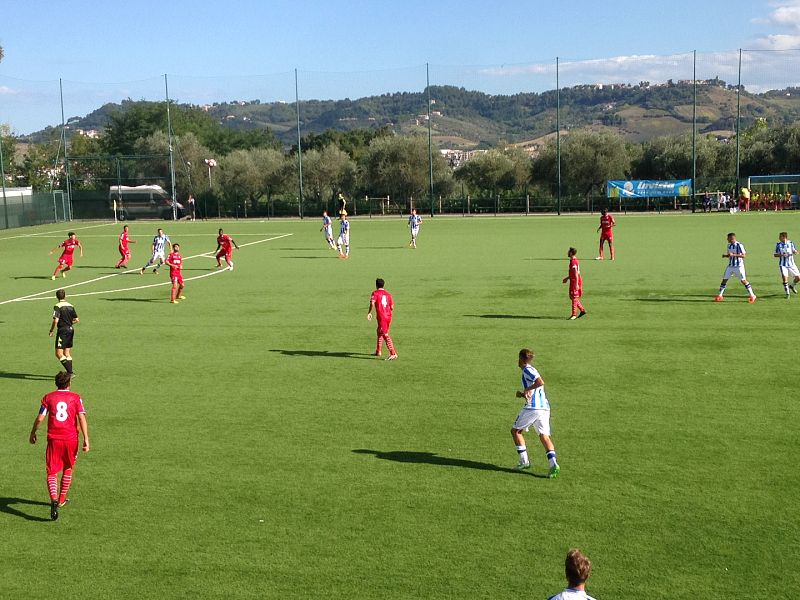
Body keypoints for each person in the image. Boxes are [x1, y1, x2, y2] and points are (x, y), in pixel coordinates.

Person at [29, 371, 90, 521]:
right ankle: (62, 499)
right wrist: (86, 439)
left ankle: (54, 500)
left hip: (53, 439)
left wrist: (33, 432)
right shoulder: (75, 398)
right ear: (69, 383)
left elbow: (40, 418)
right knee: (68, 467)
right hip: (71, 439)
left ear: (56, 383)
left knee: (52, 472)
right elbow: (81, 417)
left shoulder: (48, 397)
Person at [511, 348, 560, 478]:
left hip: (533, 408)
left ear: (521, 358)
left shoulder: (527, 370)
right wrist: (522, 394)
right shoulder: (531, 370)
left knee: (516, 431)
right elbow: (535, 389)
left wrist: (527, 388)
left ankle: (524, 462)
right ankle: (553, 464)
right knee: (544, 436)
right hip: (544, 408)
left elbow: (540, 382)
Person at [715, 232, 756, 303]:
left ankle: (752, 295)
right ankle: (720, 295)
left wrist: (734, 255)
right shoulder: (729, 245)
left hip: (738, 266)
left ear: (732, 238)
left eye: (728, 238)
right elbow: (730, 255)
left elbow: (744, 255)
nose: (727, 239)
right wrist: (726, 256)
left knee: (743, 281)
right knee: (724, 280)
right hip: (730, 266)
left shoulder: (739, 245)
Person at [49, 289, 78, 376]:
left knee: (59, 353)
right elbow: (76, 320)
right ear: (65, 296)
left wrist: (51, 330)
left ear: (57, 297)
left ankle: (70, 372)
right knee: (67, 353)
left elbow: (56, 320)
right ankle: (70, 372)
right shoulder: (71, 306)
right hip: (71, 330)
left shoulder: (57, 306)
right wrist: (68, 323)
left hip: (63, 331)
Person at [367, 278, 397, 360]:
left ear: (376, 285)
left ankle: (393, 353)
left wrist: (369, 312)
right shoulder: (388, 294)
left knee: (385, 334)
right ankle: (378, 351)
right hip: (388, 316)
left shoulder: (375, 293)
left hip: (382, 316)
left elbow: (372, 303)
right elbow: (392, 307)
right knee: (379, 331)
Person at [562, 247, 587, 320]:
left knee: (574, 297)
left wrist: (576, 284)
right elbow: (573, 273)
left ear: (571, 253)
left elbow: (576, 274)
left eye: (568, 252)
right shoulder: (573, 261)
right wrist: (567, 278)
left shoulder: (573, 262)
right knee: (572, 297)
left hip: (575, 281)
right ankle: (582, 310)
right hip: (573, 280)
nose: (567, 253)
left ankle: (574, 314)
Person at [774, 231, 799, 298]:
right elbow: (775, 254)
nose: (779, 238)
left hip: (792, 264)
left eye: (780, 237)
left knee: (798, 278)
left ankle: (792, 286)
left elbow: (794, 250)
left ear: (784, 237)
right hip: (783, 265)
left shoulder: (790, 243)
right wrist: (782, 255)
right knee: (785, 279)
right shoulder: (778, 245)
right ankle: (787, 294)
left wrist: (795, 252)